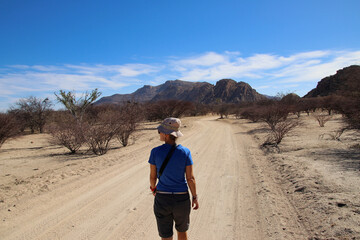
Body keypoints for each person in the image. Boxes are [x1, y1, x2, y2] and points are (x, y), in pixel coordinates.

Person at [149, 117, 199, 240]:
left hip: (162, 198)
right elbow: (190, 178)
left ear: (166, 135)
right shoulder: (185, 152)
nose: (159, 133)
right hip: (181, 198)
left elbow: (152, 176)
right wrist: (194, 196)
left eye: (160, 131)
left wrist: (153, 188)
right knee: (182, 231)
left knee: (166, 235)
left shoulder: (155, 152)